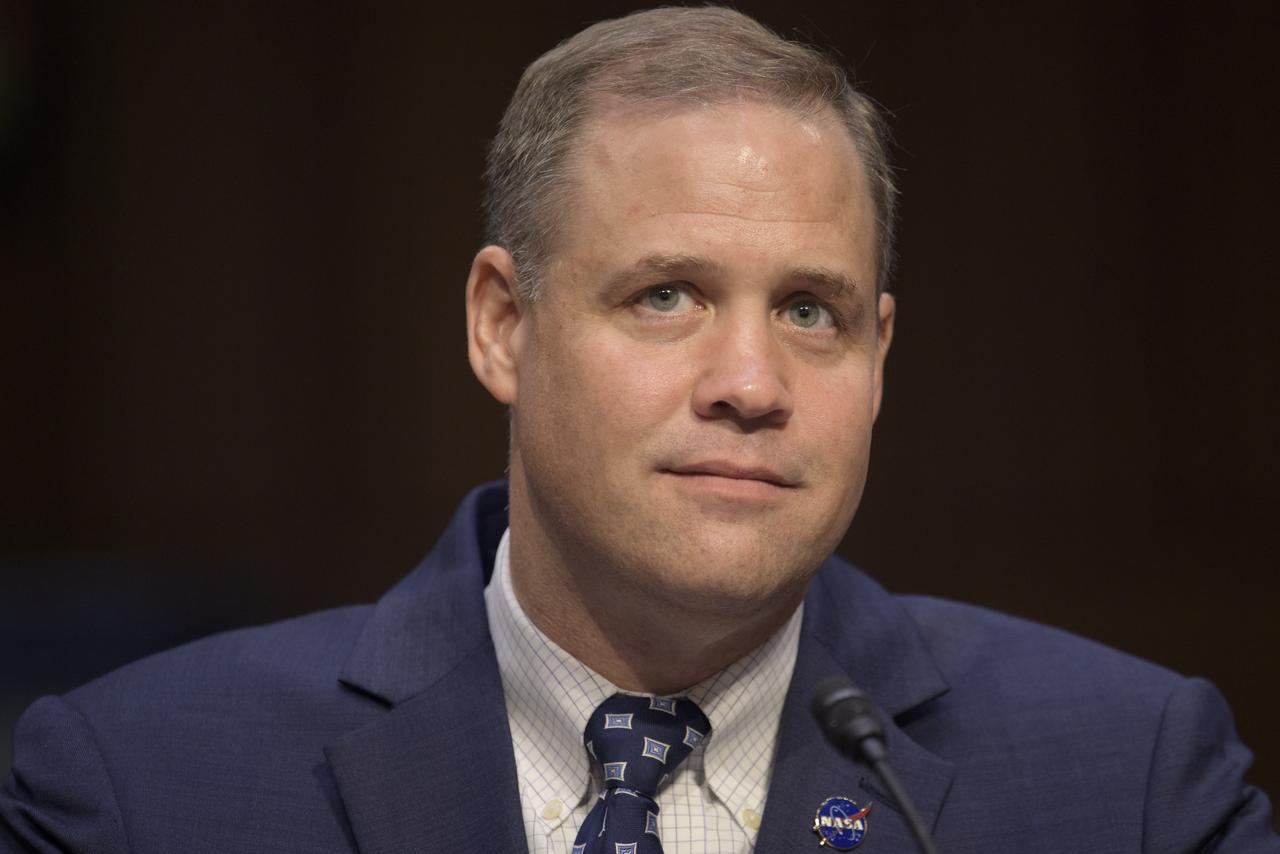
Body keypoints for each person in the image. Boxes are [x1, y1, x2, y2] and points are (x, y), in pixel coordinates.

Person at [1, 7, 1275, 853]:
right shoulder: (141, 786)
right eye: (664, 294)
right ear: (504, 324)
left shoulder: (1127, 783)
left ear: (880, 355)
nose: (748, 380)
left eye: (810, 311)